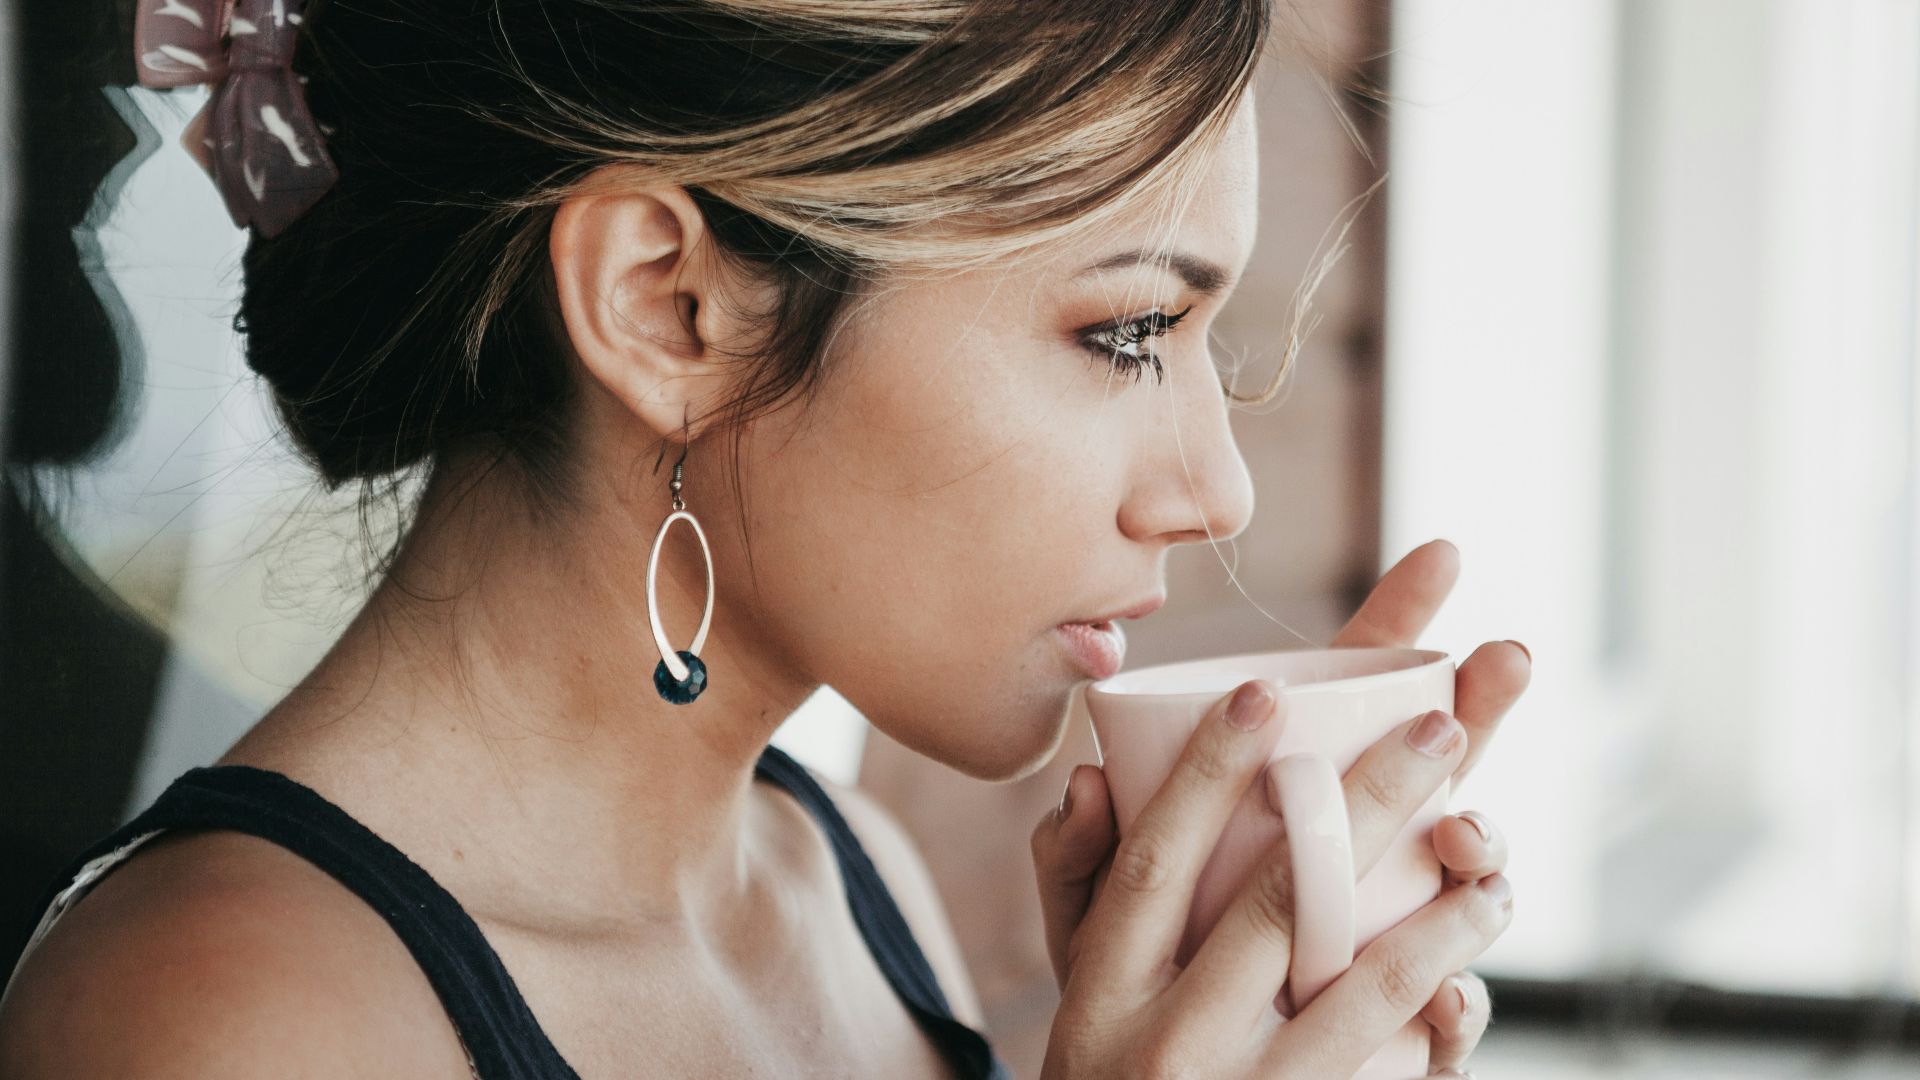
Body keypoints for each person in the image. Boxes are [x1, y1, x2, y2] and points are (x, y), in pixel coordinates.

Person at [0, 0, 1527, 1076]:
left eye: (1213, 344)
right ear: (666, 308)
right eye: (1129, 331)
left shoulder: (846, 875)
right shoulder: (232, 1020)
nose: (1219, 491)